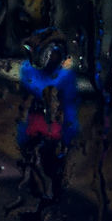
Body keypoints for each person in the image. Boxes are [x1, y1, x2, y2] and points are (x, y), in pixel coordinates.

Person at [15, 28, 80, 203]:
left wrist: (70, 134)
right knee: (37, 176)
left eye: (54, 53)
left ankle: (50, 197)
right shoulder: (30, 71)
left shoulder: (63, 76)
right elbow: (26, 104)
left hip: (53, 134)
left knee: (51, 173)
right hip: (35, 132)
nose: (51, 57)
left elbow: (69, 104)